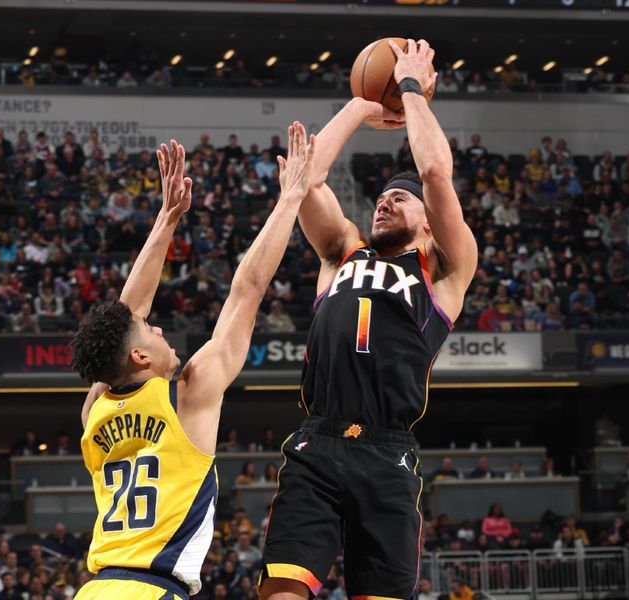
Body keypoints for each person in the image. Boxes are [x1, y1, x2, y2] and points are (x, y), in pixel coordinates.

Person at [260, 39, 477, 600]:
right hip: (318, 441)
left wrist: (408, 88)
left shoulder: (446, 273)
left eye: (398, 200)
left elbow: (433, 169)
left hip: (387, 450)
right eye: (380, 197)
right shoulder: (342, 254)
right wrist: (361, 104)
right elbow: (305, 182)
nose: (384, 202)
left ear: (429, 223)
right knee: (282, 592)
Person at [71, 125, 317, 599]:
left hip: (96, 589)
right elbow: (247, 291)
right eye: (151, 331)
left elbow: (127, 316)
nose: (159, 327)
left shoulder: (94, 410)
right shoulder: (187, 393)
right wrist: (291, 199)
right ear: (140, 356)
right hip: (154, 589)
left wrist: (168, 218)